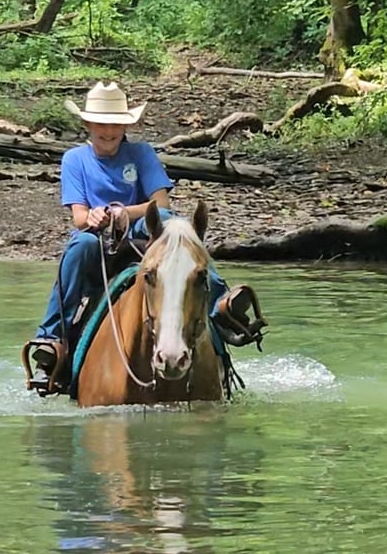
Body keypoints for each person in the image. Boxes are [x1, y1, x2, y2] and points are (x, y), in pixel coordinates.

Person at [24, 82, 266, 395]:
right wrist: (97, 218)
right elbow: (79, 217)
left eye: (115, 125)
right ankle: (52, 335)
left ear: (125, 126)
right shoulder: (75, 160)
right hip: (98, 241)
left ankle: (221, 303)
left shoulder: (141, 153)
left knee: (175, 224)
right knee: (79, 245)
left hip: (142, 235)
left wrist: (127, 212)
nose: (109, 132)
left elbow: (160, 202)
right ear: (88, 124)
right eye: (102, 124)